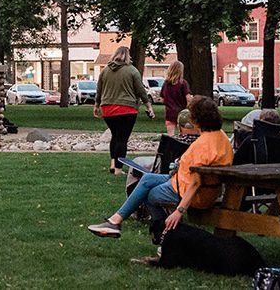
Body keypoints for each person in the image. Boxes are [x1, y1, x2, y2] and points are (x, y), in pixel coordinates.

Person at [88, 98, 232, 239]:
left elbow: (195, 183)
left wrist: (179, 211)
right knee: (147, 179)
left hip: (192, 193)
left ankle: (166, 236)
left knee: (150, 195)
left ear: (195, 120)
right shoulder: (222, 137)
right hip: (203, 188)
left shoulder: (202, 145)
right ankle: (115, 221)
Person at [94, 46, 155, 175]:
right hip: (127, 108)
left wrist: (97, 104)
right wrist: (148, 106)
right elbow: (140, 90)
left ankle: (113, 164)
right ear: (128, 56)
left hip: (107, 108)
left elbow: (99, 89)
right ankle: (118, 169)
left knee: (115, 136)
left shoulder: (105, 71)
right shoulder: (132, 70)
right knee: (122, 139)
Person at [158, 62, 190, 136]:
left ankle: (171, 143)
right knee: (183, 135)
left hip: (169, 113)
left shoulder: (166, 84)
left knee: (170, 135)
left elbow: (162, 99)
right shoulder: (183, 83)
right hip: (182, 114)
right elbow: (188, 98)